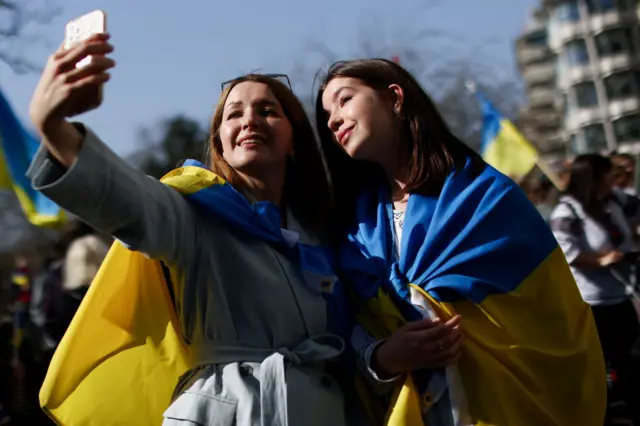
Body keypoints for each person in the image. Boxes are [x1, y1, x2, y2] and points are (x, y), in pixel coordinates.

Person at [27, 33, 355, 426]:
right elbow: (125, 200)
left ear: (293, 139)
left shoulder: (328, 239)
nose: (249, 119)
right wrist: (54, 128)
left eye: (267, 110)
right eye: (233, 114)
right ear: (220, 141)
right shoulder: (193, 213)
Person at [315, 58, 606, 425]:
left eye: (344, 100)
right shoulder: (352, 230)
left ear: (394, 98)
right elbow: (346, 330)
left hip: (508, 409)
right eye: (327, 114)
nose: (333, 120)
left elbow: (552, 313)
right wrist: (384, 357)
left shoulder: (486, 196)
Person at [550, 154, 640, 422]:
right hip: (592, 302)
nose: (613, 178)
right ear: (594, 178)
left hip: (622, 295)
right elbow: (566, 254)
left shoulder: (616, 201)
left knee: (631, 363)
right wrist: (602, 260)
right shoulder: (567, 212)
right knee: (600, 366)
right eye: (608, 174)